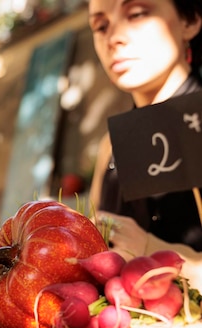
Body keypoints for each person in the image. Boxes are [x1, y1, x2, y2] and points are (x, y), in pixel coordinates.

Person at [87, 0, 202, 287]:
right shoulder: (109, 146)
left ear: (189, 21)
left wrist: (149, 249)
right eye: (101, 26)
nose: (114, 38)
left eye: (136, 14)